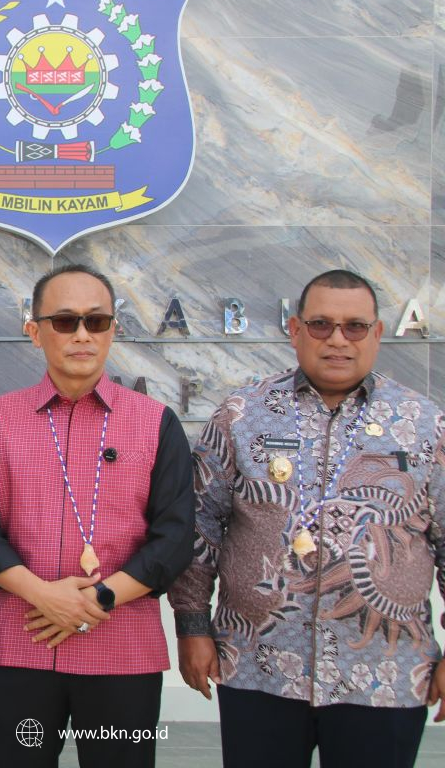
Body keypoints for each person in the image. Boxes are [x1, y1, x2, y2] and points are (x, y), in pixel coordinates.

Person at [169, 269, 445, 768]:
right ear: (295, 330)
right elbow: (200, 525)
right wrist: (192, 625)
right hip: (258, 667)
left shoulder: (425, 424)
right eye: (321, 325)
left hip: (383, 673)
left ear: (377, 333)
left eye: (354, 326)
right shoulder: (242, 414)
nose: (338, 339)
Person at [0, 265, 195, 768]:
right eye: (66, 321)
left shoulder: (156, 421)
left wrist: (97, 599)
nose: (83, 334)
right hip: (21, 643)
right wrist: (45, 596)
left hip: (123, 649)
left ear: (113, 329)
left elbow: (175, 537)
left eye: (97, 321)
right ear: (35, 331)